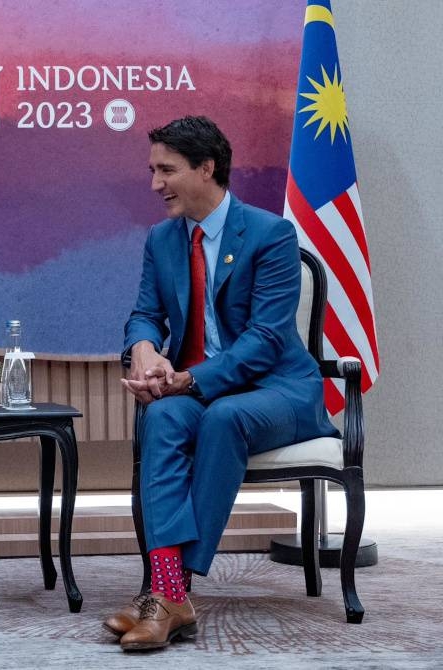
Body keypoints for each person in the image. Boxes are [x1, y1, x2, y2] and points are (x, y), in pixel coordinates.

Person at [108, 116, 338, 651]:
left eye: (167, 170)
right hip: (200, 391)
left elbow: (263, 340)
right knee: (162, 415)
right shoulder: (161, 240)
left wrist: (187, 378)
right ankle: (172, 597)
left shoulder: (271, 234)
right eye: (152, 170)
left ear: (206, 168)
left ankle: (166, 593)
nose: (155, 184)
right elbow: (144, 314)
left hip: (277, 390)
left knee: (224, 416)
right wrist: (144, 351)